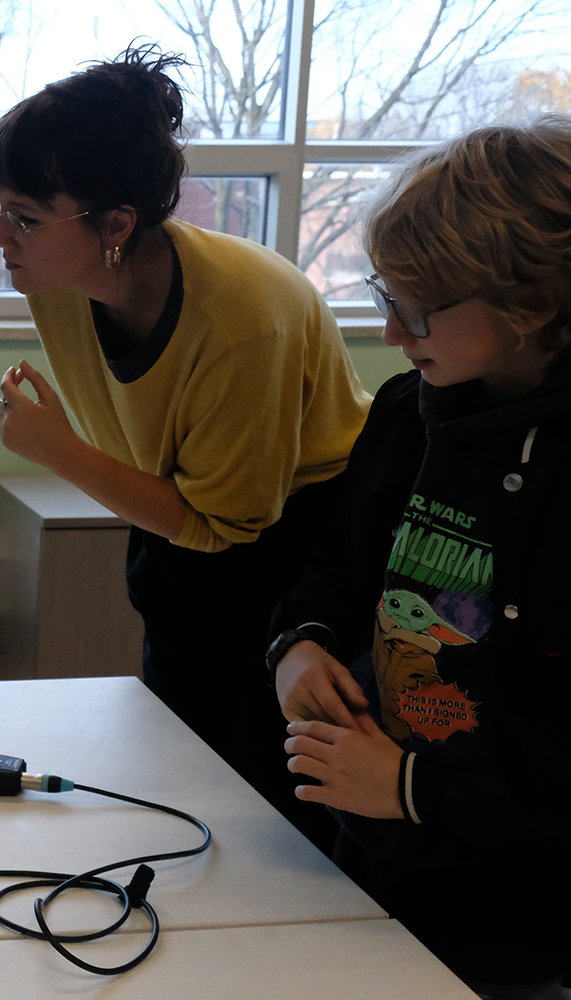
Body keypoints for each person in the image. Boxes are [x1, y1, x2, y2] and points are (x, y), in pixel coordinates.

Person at [0, 43, 372, 842]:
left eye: (22, 217)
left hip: (301, 539)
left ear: (117, 224)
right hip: (190, 525)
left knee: (269, 807)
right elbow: (158, 484)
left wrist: (58, 451)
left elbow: (224, 527)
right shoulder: (59, 283)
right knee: (175, 763)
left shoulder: (242, 320)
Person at [271, 116, 571, 997]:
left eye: (418, 308)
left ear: (531, 308)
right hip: (365, 844)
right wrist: (301, 642)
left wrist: (413, 787)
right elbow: (326, 566)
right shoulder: (410, 410)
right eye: (383, 294)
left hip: (513, 904)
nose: (394, 333)